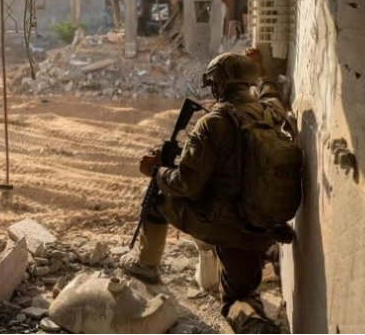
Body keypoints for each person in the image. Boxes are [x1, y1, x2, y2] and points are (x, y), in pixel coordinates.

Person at [121, 48, 293, 333]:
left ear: (219, 85)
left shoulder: (213, 123)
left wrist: (155, 170)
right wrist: (262, 73)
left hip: (226, 226)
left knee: (157, 195)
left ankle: (145, 266)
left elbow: (185, 185)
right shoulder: (270, 113)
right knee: (241, 296)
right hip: (263, 226)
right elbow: (271, 94)